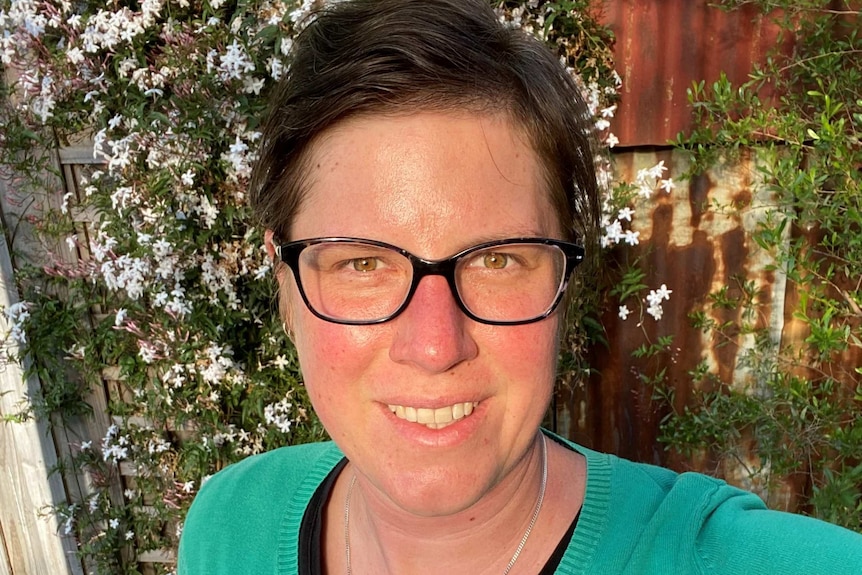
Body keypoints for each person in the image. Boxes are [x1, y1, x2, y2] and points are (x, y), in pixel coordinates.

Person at [177, 0, 862, 573]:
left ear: (564, 282)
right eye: (362, 263)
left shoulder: (725, 556)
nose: (435, 344)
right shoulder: (226, 528)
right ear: (286, 284)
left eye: (497, 259)